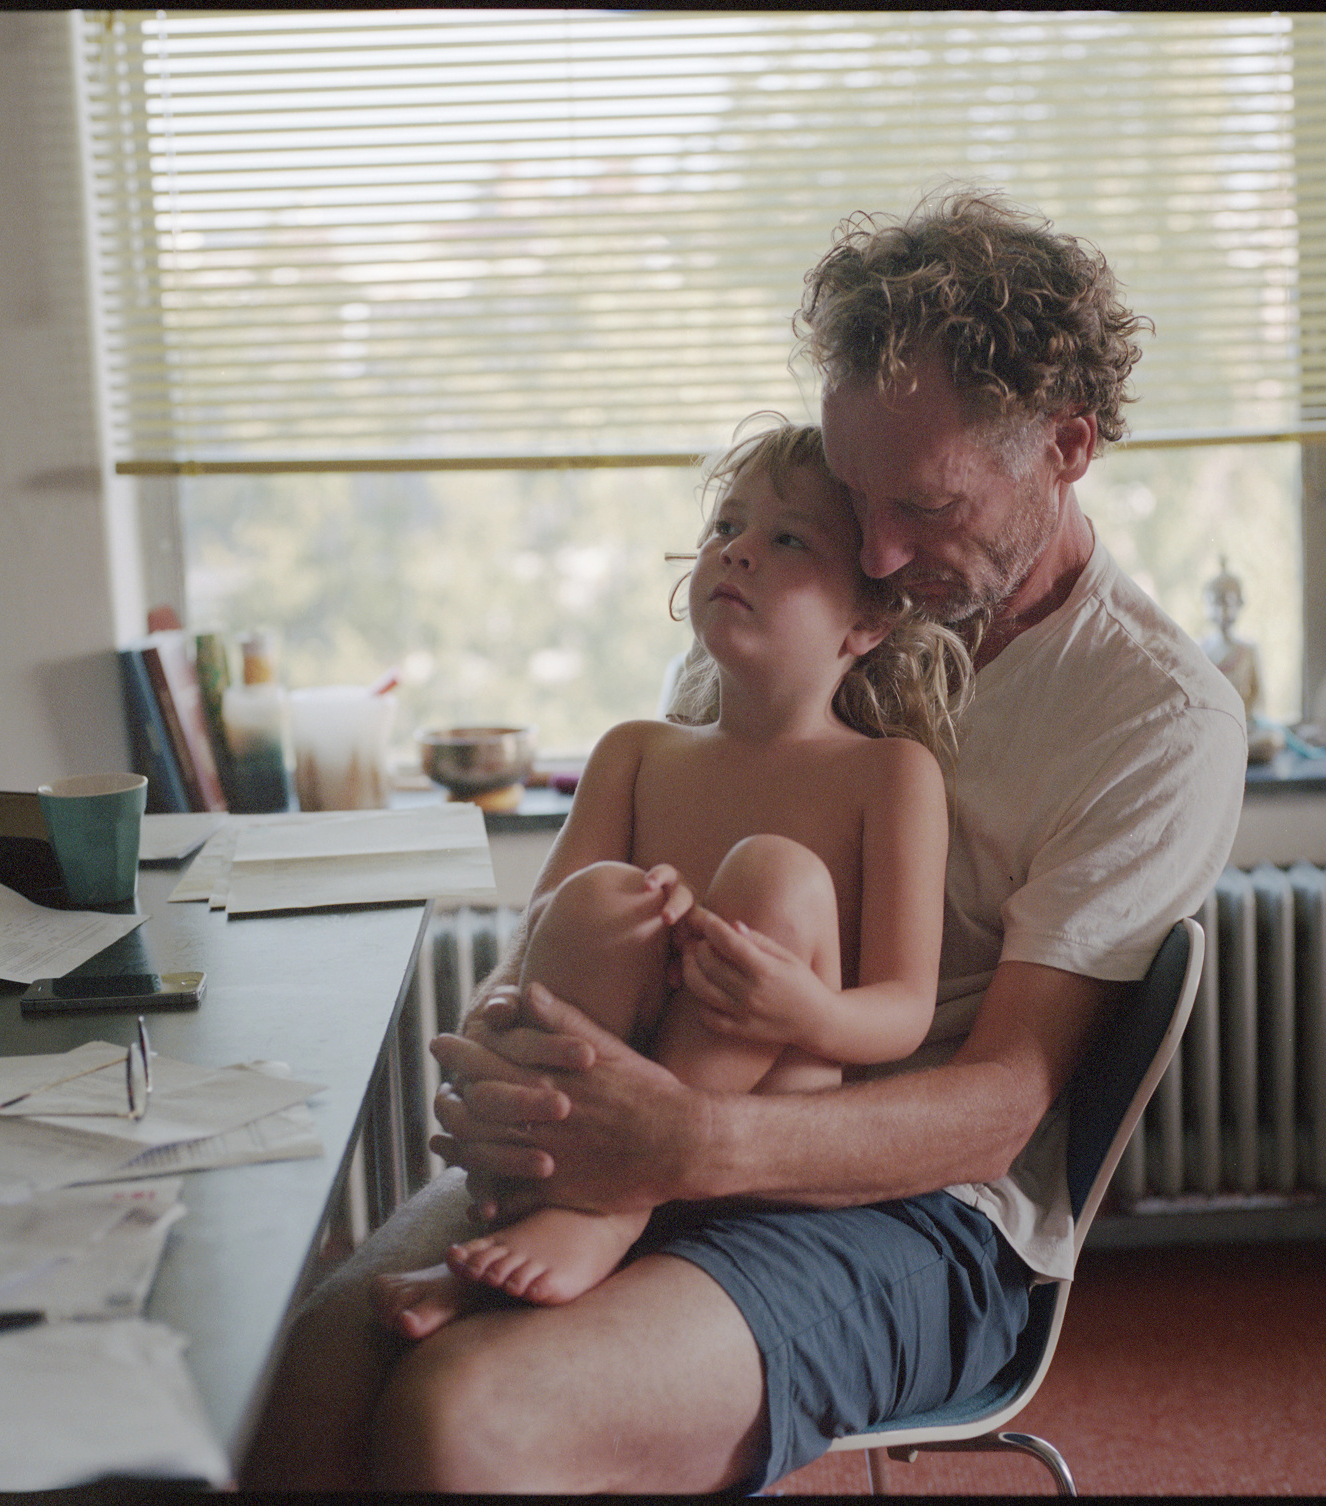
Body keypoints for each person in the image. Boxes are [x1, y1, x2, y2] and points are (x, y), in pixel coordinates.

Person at [241, 186, 1247, 1494]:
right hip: (664, 1116)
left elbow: (996, 1113)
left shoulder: (1153, 718)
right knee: (310, 1372)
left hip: (926, 1214)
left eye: (926, 508)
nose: (878, 549)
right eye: (857, 494)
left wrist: (684, 1144)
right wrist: (517, 1060)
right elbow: (621, 912)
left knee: (467, 1417)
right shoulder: (803, 602)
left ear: (1065, 446)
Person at [366, 417, 970, 1338]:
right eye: (726, 526)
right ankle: (560, 1212)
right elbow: (539, 941)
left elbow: (903, 1009)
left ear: (867, 621)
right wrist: (506, 1037)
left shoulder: (891, 775)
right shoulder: (635, 754)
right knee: (604, 896)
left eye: (789, 538)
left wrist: (799, 1007)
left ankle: (609, 1210)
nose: (738, 551)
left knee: (775, 874)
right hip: (597, 1108)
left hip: (757, 1143)